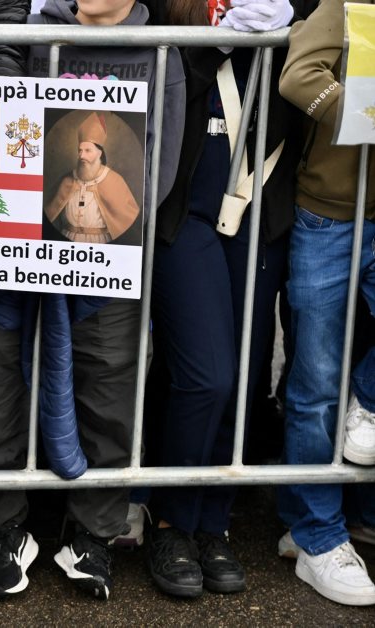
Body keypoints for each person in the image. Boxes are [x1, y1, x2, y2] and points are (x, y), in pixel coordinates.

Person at [16, 0, 186, 602]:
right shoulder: (35, 35)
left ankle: (94, 529)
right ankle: (9, 525)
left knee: (110, 379)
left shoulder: (160, 50)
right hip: (30, 249)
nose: (85, 151)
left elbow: (160, 165)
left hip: (111, 258)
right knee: (10, 373)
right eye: (81, 147)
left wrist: (115, 238)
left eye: (93, 147)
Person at [142, 0, 307, 600]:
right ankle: (171, 521)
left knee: (243, 379)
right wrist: (210, 41)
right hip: (187, 213)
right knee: (207, 376)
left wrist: (294, 17)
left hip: (262, 215)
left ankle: (213, 523)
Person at [276, 0, 375, 607]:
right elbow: (298, 77)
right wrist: (365, 113)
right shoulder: (347, 3)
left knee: (336, 389)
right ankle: (316, 536)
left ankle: (368, 403)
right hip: (328, 215)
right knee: (314, 384)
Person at [44, 112, 142, 245]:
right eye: (80, 150)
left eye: (87, 150)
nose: (81, 156)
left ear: (99, 153)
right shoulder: (67, 180)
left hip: (99, 242)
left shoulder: (114, 180)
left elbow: (128, 220)